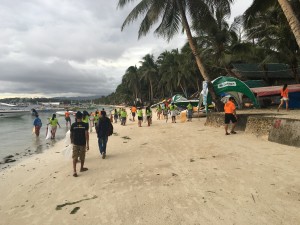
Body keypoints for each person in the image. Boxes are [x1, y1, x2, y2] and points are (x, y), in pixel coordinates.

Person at [70, 111, 89, 177]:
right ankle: (81, 168)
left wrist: (71, 142)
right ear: (81, 117)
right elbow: (86, 134)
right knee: (82, 156)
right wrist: (88, 144)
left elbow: (71, 134)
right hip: (82, 143)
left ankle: (74, 171)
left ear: (75, 117)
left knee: (75, 157)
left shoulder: (73, 125)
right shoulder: (85, 125)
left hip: (75, 143)